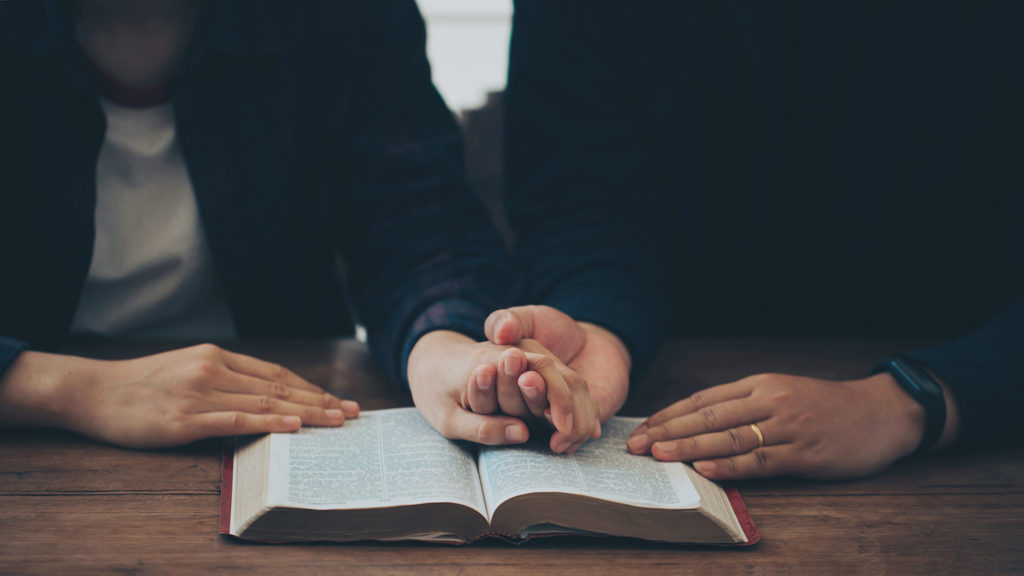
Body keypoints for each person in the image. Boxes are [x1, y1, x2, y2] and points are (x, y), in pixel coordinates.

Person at [0, 0, 594, 452]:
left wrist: (444, 350)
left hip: (285, 420)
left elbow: (418, 226)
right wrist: (73, 390)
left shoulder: (344, 17)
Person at [467, 0, 1023, 478]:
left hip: (970, 415)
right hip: (668, 377)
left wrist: (919, 398)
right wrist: (598, 326)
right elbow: (584, 199)